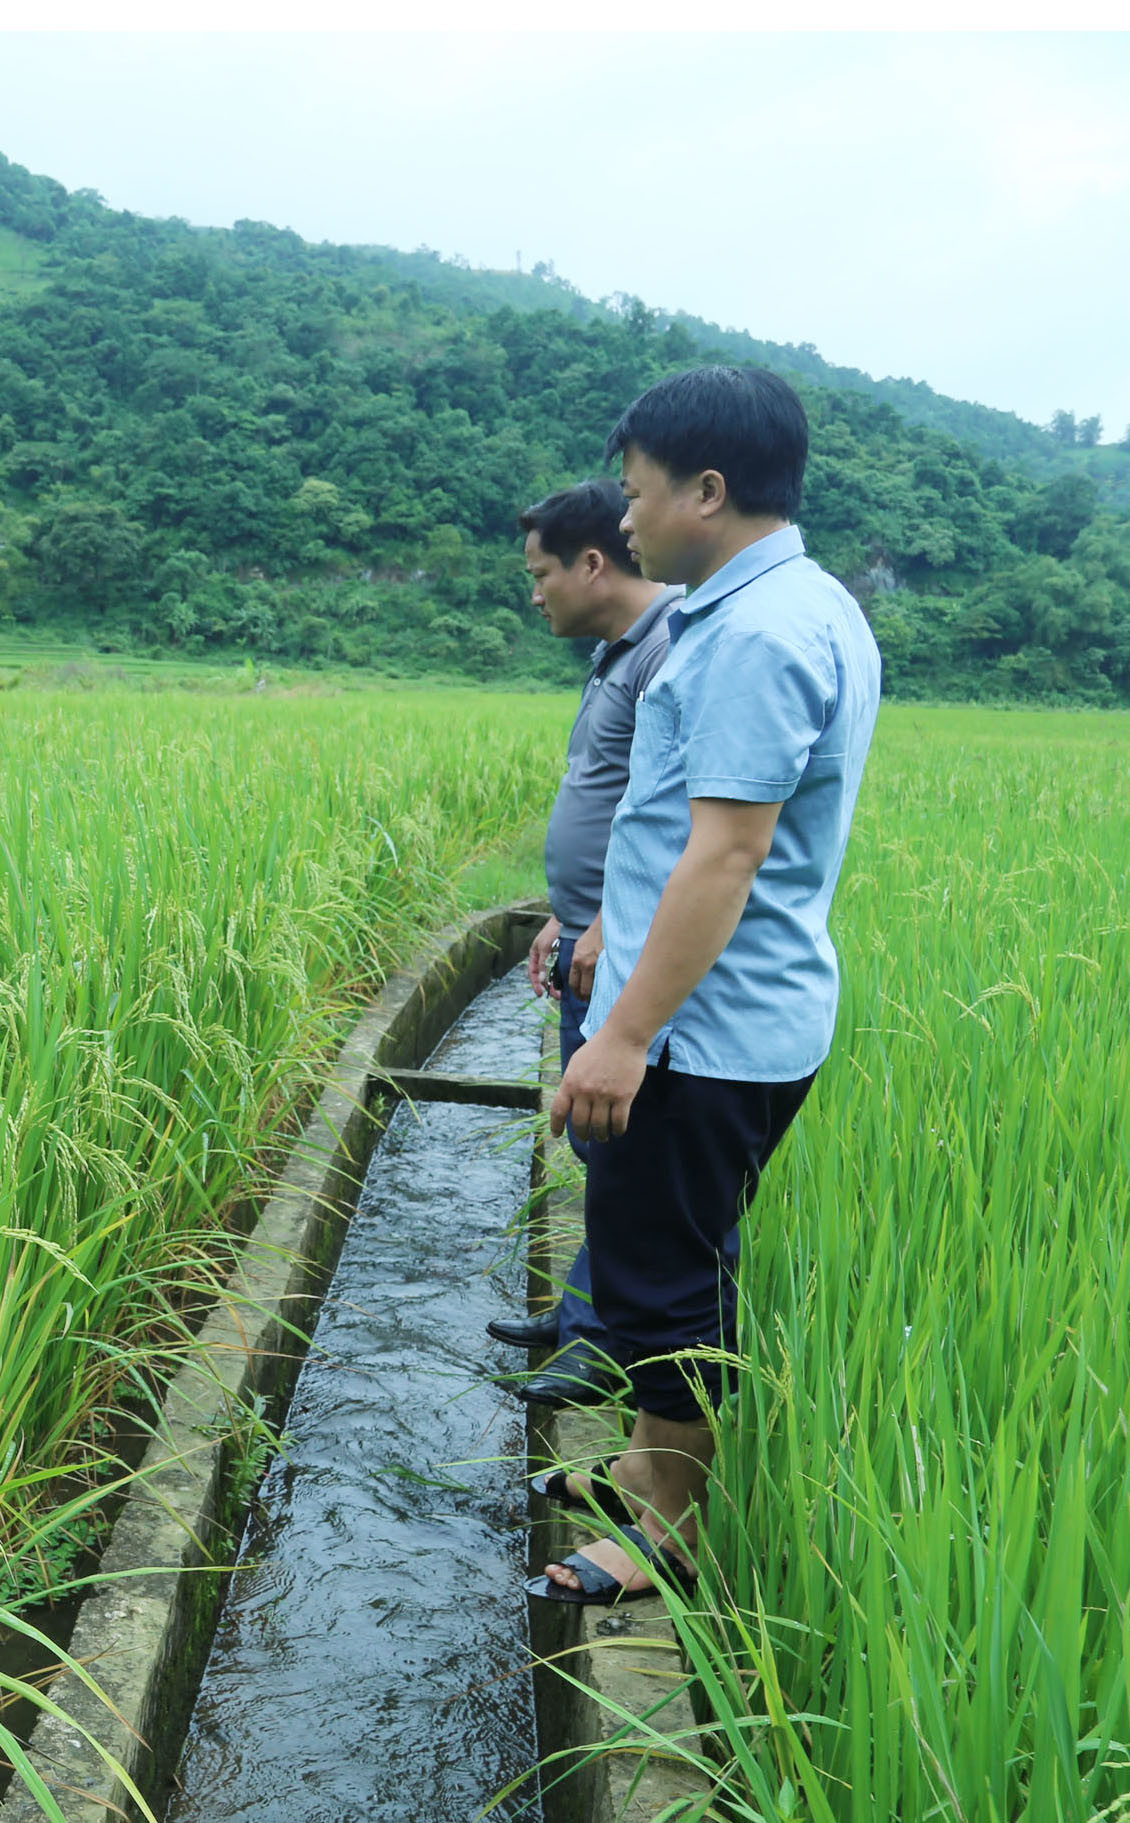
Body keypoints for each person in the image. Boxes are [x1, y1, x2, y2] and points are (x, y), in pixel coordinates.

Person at [531, 366, 881, 1606]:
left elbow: (722, 853)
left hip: (698, 1036)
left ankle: (666, 1523)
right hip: (722, 1018)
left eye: (633, 496)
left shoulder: (755, 635)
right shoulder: (789, 601)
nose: (620, 523)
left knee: (662, 1278)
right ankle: (639, 1463)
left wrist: (620, 1033)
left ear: (707, 490)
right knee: (671, 1251)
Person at [489, 479, 682, 1408]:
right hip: (589, 937)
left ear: (592, 564)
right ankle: (581, 1314)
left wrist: (607, 919)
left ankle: (603, 1341)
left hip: (624, 950)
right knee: (599, 1151)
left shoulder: (671, 649)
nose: (534, 592)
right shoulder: (620, 650)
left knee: (621, 1148)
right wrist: (569, 914)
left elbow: (672, 811)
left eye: (540, 573)